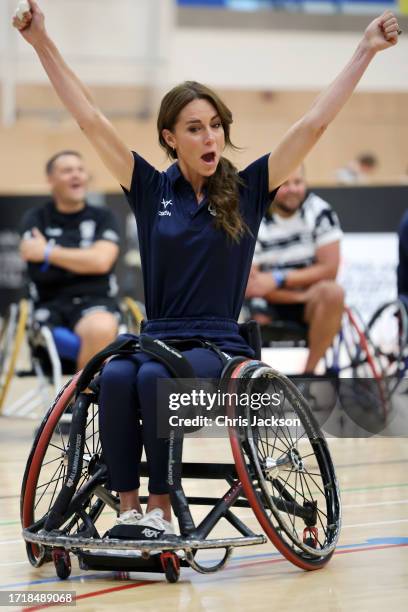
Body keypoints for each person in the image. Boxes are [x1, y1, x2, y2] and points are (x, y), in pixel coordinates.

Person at [13, 1, 401, 537]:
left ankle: (161, 510)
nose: (210, 137)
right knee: (120, 373)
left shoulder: (247, 190)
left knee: (149, 376)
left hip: (220, 349)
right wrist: (42, 44)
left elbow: (314, 124)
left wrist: (365, 51)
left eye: (216, 126)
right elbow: (90, 119)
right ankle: (130, 513)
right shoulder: (151, 189)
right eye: (195, 128)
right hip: (159, 337)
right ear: (170, 138)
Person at [20, 150, 121, 370]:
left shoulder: (104, 217)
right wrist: (83, 259)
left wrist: (47, 252)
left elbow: (101, 262)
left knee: (102, 327)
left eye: (80, 169)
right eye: (67, 171)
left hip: (95, 303)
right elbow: (33, 259)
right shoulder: (36, 218)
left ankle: (79, 401)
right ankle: (80, 399)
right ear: (50, 180)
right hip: (50, 306)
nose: (76, 175)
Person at [246, 165, 344, 373]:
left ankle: (309, 374)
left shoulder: (320, 212)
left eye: (298, 183)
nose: (293, 189)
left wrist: (280, 278)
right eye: (285, 184)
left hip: (309, 301)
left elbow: (329, 269)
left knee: (333, 293)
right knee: (252, 312)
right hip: (269, 300)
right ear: (273, 186)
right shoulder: (254, 215)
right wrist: (299, 295)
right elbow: (252, 285)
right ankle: (259, 378)